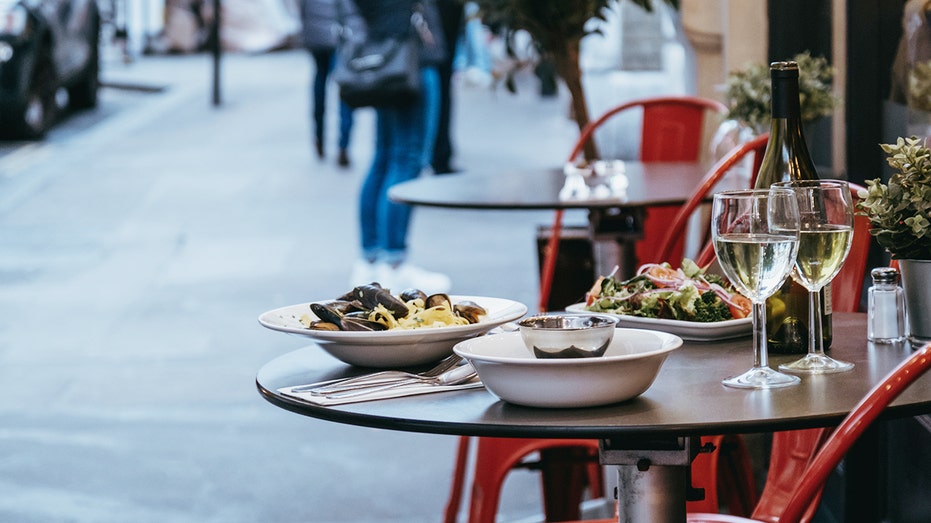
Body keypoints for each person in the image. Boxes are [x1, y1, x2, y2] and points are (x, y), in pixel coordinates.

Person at [345, 0, 452, 293]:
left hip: (386, 53)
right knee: (406, 158)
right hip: (410, 56)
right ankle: (394, 263)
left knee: (385, 156)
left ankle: (370, 260)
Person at [300, 0, 354, 167]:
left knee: (320, 82)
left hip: (315, 32)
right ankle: (343, 144)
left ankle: (319, 138)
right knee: (344, 86)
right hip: (338, 30)